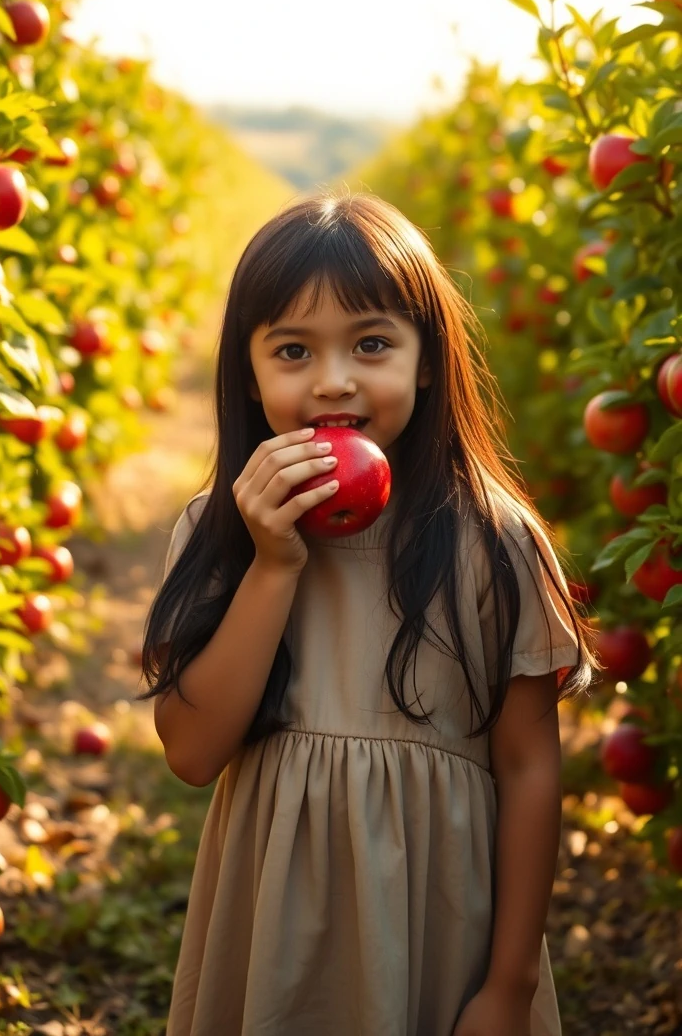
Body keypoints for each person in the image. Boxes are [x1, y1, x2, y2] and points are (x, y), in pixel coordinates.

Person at [140, 188, 598, 1036]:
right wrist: (274, 565)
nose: (335, 381)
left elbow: (531, 769)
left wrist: (505, 987)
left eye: (373, 343)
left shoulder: (494, 541)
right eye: (292, 350)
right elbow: (193, 752)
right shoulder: (222, 532)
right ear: (249, 370)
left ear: (428, 359)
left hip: (433, 921)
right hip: (273, 916)